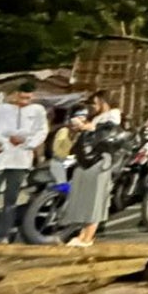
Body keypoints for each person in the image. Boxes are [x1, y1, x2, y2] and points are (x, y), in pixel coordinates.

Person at [0, 81, 48, 244]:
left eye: (28, 98)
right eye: (21, 97)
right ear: (15, 94)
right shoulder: (0, 110)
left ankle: (3, 235)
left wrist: (27, 144)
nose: (24, 101)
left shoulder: (37, 111)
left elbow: (42, 132)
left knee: (10, 200)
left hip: (20, 160)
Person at [64, 91, 125, 247]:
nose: (92, 107)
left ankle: (88, 238)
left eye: (95, 103)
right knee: (85, 197)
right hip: (86, 161)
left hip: (99, 161)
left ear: (104, 102)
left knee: (95, 199)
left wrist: (86, 126)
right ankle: (83, 234)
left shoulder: (113, 116)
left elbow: (104, 132)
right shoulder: (98, 118)